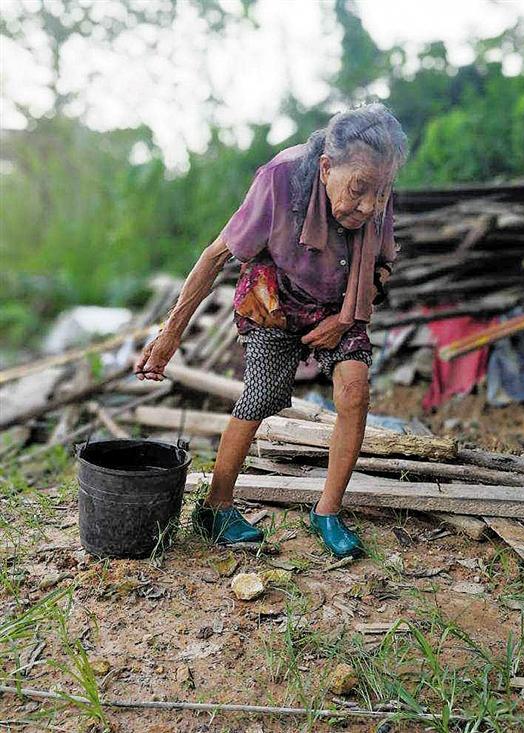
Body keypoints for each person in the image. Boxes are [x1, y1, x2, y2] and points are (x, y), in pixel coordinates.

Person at [134, 102, 408, 558]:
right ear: (325, 167)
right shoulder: (279, 179)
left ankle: (327, 511)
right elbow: (215, 257)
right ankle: (216, 507)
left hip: (342, 301)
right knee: (260, 395)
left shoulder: (376, 186)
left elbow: (380, 265)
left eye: (379, 194)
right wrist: (169, 335)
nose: (368, 206)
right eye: (358, 190)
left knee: (355, 393)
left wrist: (341, 321)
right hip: (275, 297)